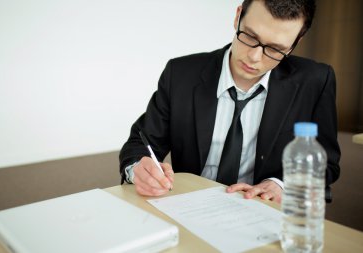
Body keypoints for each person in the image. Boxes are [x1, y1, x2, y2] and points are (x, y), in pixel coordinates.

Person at [119, 0, 340, 203]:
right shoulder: (180, 74)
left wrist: (281, 185)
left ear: (296, 42)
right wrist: (139, 168)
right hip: (190, 206)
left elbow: (326, 164)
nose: (254, 57)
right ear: (238, 17)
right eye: (250, 37)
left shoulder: (315, 81)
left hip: (263, 211)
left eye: (275, 49)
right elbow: (140, 144)